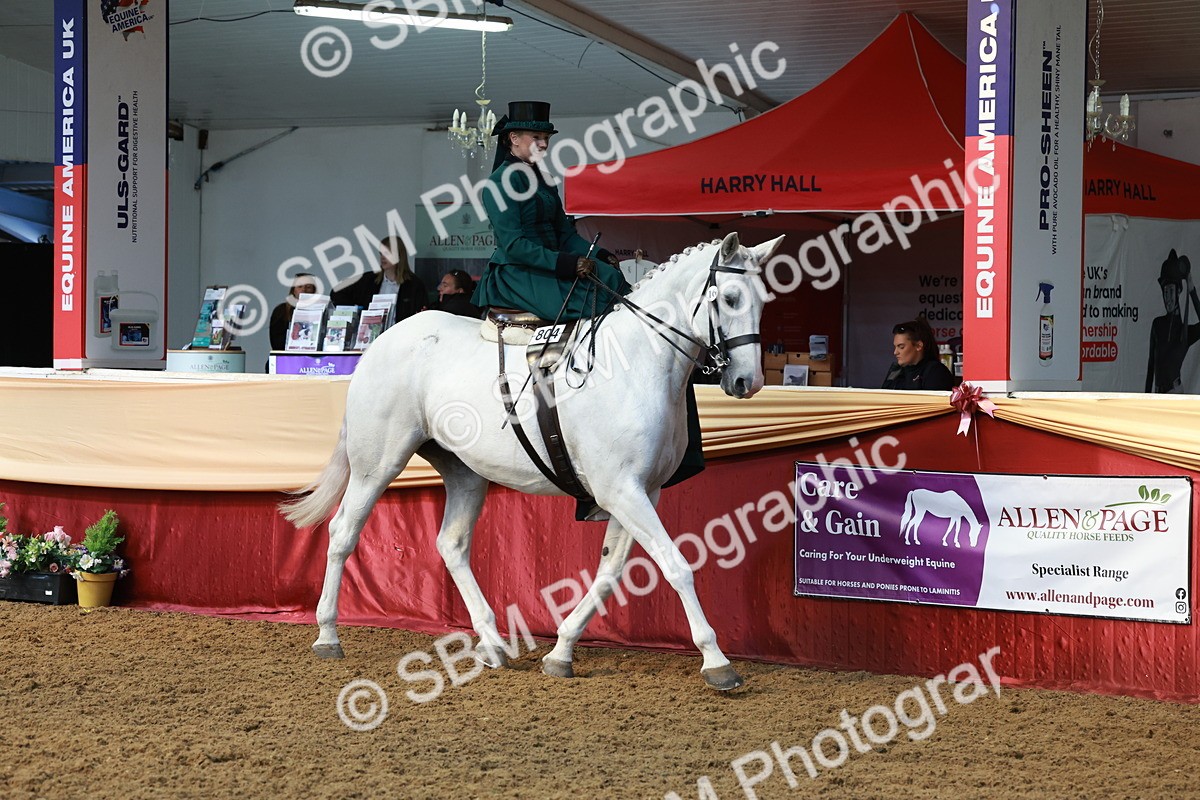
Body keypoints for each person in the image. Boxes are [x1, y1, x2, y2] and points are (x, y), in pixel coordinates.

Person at [471, 100, 629, 320]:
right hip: (519, 270)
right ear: (514, 138)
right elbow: (514, 245)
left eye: (546, 138)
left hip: (553, 263)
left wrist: (599, 254)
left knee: (612, 278)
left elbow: (565, 235)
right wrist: (567, 263)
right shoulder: (498, 183)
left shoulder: (545, 179)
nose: (544, 144)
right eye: (536, 137)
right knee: (590, 302)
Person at [331, 235, 427, 322]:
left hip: (400, 334)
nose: (382, 257)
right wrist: (356, 313)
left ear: (399, 256)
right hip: (370, 334)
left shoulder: (415, 285)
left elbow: (422, 316)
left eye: (387, 253)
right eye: (381, 253)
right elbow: (337, 292)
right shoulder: (368, 279)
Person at [1145, 250, 1200, 393]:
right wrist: (1145, 397)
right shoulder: (1157, 325)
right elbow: (1151, 365)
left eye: (1170, 290)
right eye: (1165, 292)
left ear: (1178, 291)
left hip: (1175, 392)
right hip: (1157, 394)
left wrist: (1192, 290)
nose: (1168, 298)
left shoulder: (1185, 332)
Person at [881, 317, 959, 390]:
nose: (895, 352)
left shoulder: (935, 372)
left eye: (901, 347)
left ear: (918, 346)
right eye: (895, 347)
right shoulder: (896, 371)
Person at [269, 273, 318, 351]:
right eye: (300, 286)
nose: (304, 290)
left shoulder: (321, 311)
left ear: (313, 291)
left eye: (308, 287)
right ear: (294, 291)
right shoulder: (281, 311)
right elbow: (276, 343)